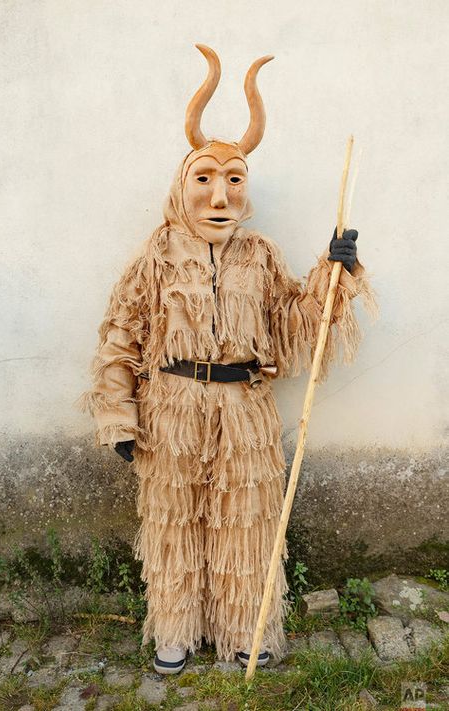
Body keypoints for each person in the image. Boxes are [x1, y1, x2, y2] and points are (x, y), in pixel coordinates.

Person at [80, 45, 376, 674]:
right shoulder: (156, 255)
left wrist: (334, 272)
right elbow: (119, 337)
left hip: (245, 410)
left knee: (245, 522)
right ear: (183, 186)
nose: (220, 195)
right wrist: (119, 420)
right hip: (171, 408)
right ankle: (177, 632)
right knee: (174, 524)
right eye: (205, 179)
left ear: (246, 189)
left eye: (234, 180)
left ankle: (247, 631)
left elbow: (297, 322)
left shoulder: (261, 254)